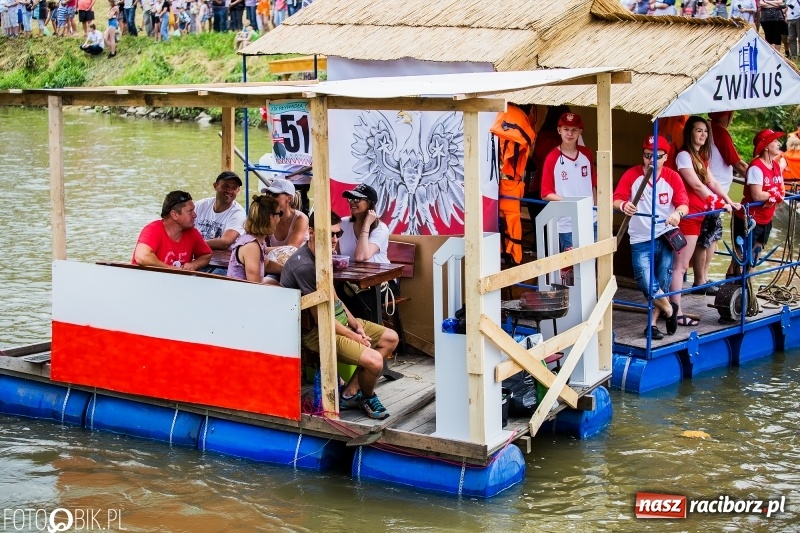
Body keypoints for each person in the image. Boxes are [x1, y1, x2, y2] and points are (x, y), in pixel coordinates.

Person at [280, 211, 399, 420]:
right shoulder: (305, 266)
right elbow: (322, 320)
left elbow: (335, 298)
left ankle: (350, 392)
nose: (335, 240)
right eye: (330, 235)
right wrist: (355, 337)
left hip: (337, 322)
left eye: (338, 234)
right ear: (311, 232)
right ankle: (367, 396)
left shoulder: (323, 255)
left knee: (391, 338)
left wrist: (356, 325)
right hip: (317, 332)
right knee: (375, 362)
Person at [614, 136, 687, 340]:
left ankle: (652, 324)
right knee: (645, 281)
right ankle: (670, 309)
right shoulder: (632, 175)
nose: (651, 160)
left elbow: (684, 204)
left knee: (662, 280)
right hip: (640, 237)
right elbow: (616, 198)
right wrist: (623, 206)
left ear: (665, 157)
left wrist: (677, 214)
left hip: (664, 235)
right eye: (647, 155)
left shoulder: (672, 177)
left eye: (657, 156)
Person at [669, 116, 739, 327]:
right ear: (690, 132)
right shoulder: (684, 156)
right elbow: (697, 186)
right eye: (698, 130)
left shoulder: (700, 156)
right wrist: (717, 202)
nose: (703, 135)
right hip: (687, 217)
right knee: (679, 267)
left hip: (698, 215)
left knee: (678, 266)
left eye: (705, 131)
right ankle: (676, 311)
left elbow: (712, 181)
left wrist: (728, 200)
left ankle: (672, 308)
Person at [690, 110, 748, 296]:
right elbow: (737, 163)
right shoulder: (719, 131)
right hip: (712, 195)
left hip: (717, 194)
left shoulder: (709, 129)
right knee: (706, 238)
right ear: (728, 116)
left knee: (712, 238)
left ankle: (704, 278)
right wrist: (756, 179)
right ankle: (700, 280)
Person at [727, 130, 785, 277]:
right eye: (774, 141)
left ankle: (748, 287)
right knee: (740, 255)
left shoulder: (776, 166)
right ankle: (731, 285)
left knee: (756, 253)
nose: (778, 144)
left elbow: (782, 191)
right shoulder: (756, 167)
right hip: (748, 218)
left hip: (766, 217)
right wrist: (773, 195)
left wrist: (772, 196)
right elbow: (757, 195)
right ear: (766, 146)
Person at [540, 112, 597, 252]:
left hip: (592, 219)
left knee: (593, 262)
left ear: (580, 132)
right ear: (559, 131)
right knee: (572, 267)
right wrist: (571, 203)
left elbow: (593, 184)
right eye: (566, 129)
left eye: (574, 130)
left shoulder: (587, 154)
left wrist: (595, 207)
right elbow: (545, 193)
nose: (569, 134)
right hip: (567, 222)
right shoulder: (552, 158)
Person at [132, 190, 212, 270]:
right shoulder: (153, 229)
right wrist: (170, 268)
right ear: (174, 215)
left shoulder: (192, 233)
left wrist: (194, 264)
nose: (195, 215)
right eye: (190, 211)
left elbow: (206, 255)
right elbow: (141, 257)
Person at [194, 170, 246, 271]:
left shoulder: (238, 213)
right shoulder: (201, 205)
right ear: (215, 186)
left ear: (238, 191)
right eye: (225, 186)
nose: (229, 191)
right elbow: (183, 226)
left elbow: (225, 242)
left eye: (234, 188)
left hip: (223, 264)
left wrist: (195, 244)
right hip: (199, 256)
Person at [226, 194, 282, 283]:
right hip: (241, 293)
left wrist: (288, 270)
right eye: (280, 214)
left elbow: (266, 265)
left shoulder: (258, 240)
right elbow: (254, 284)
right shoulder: (252, 246)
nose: (280, 219)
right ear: (271, 217)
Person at [262, 178, 308, 276]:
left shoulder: (301, 218)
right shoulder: (268, 217)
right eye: (268, 194)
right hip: (276, 265)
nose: (269, 198)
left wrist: (257, 248)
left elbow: (291, 249)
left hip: (298, 268)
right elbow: (260, 242)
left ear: (289, 198)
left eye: (274, 195)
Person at [338, 183, 389, 264]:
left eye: (357, 199)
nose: (352, 202)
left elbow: (360, 257)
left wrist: (366, 225)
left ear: (369, 204)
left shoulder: (381, 229)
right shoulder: (343, 223)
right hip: (351, 275)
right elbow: (336, 253)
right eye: (351, 199)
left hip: (379, 275)